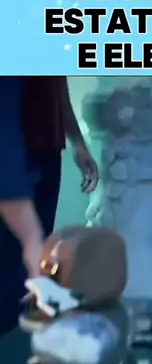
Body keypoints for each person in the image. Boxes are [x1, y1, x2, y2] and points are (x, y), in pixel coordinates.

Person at [0, 76, 98, 336]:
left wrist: (78, 142)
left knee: (27, 273)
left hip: (47, 150)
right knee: (14, 263)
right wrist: (30, 237)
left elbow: (58, 85)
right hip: (16, 152)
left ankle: (19, 344)